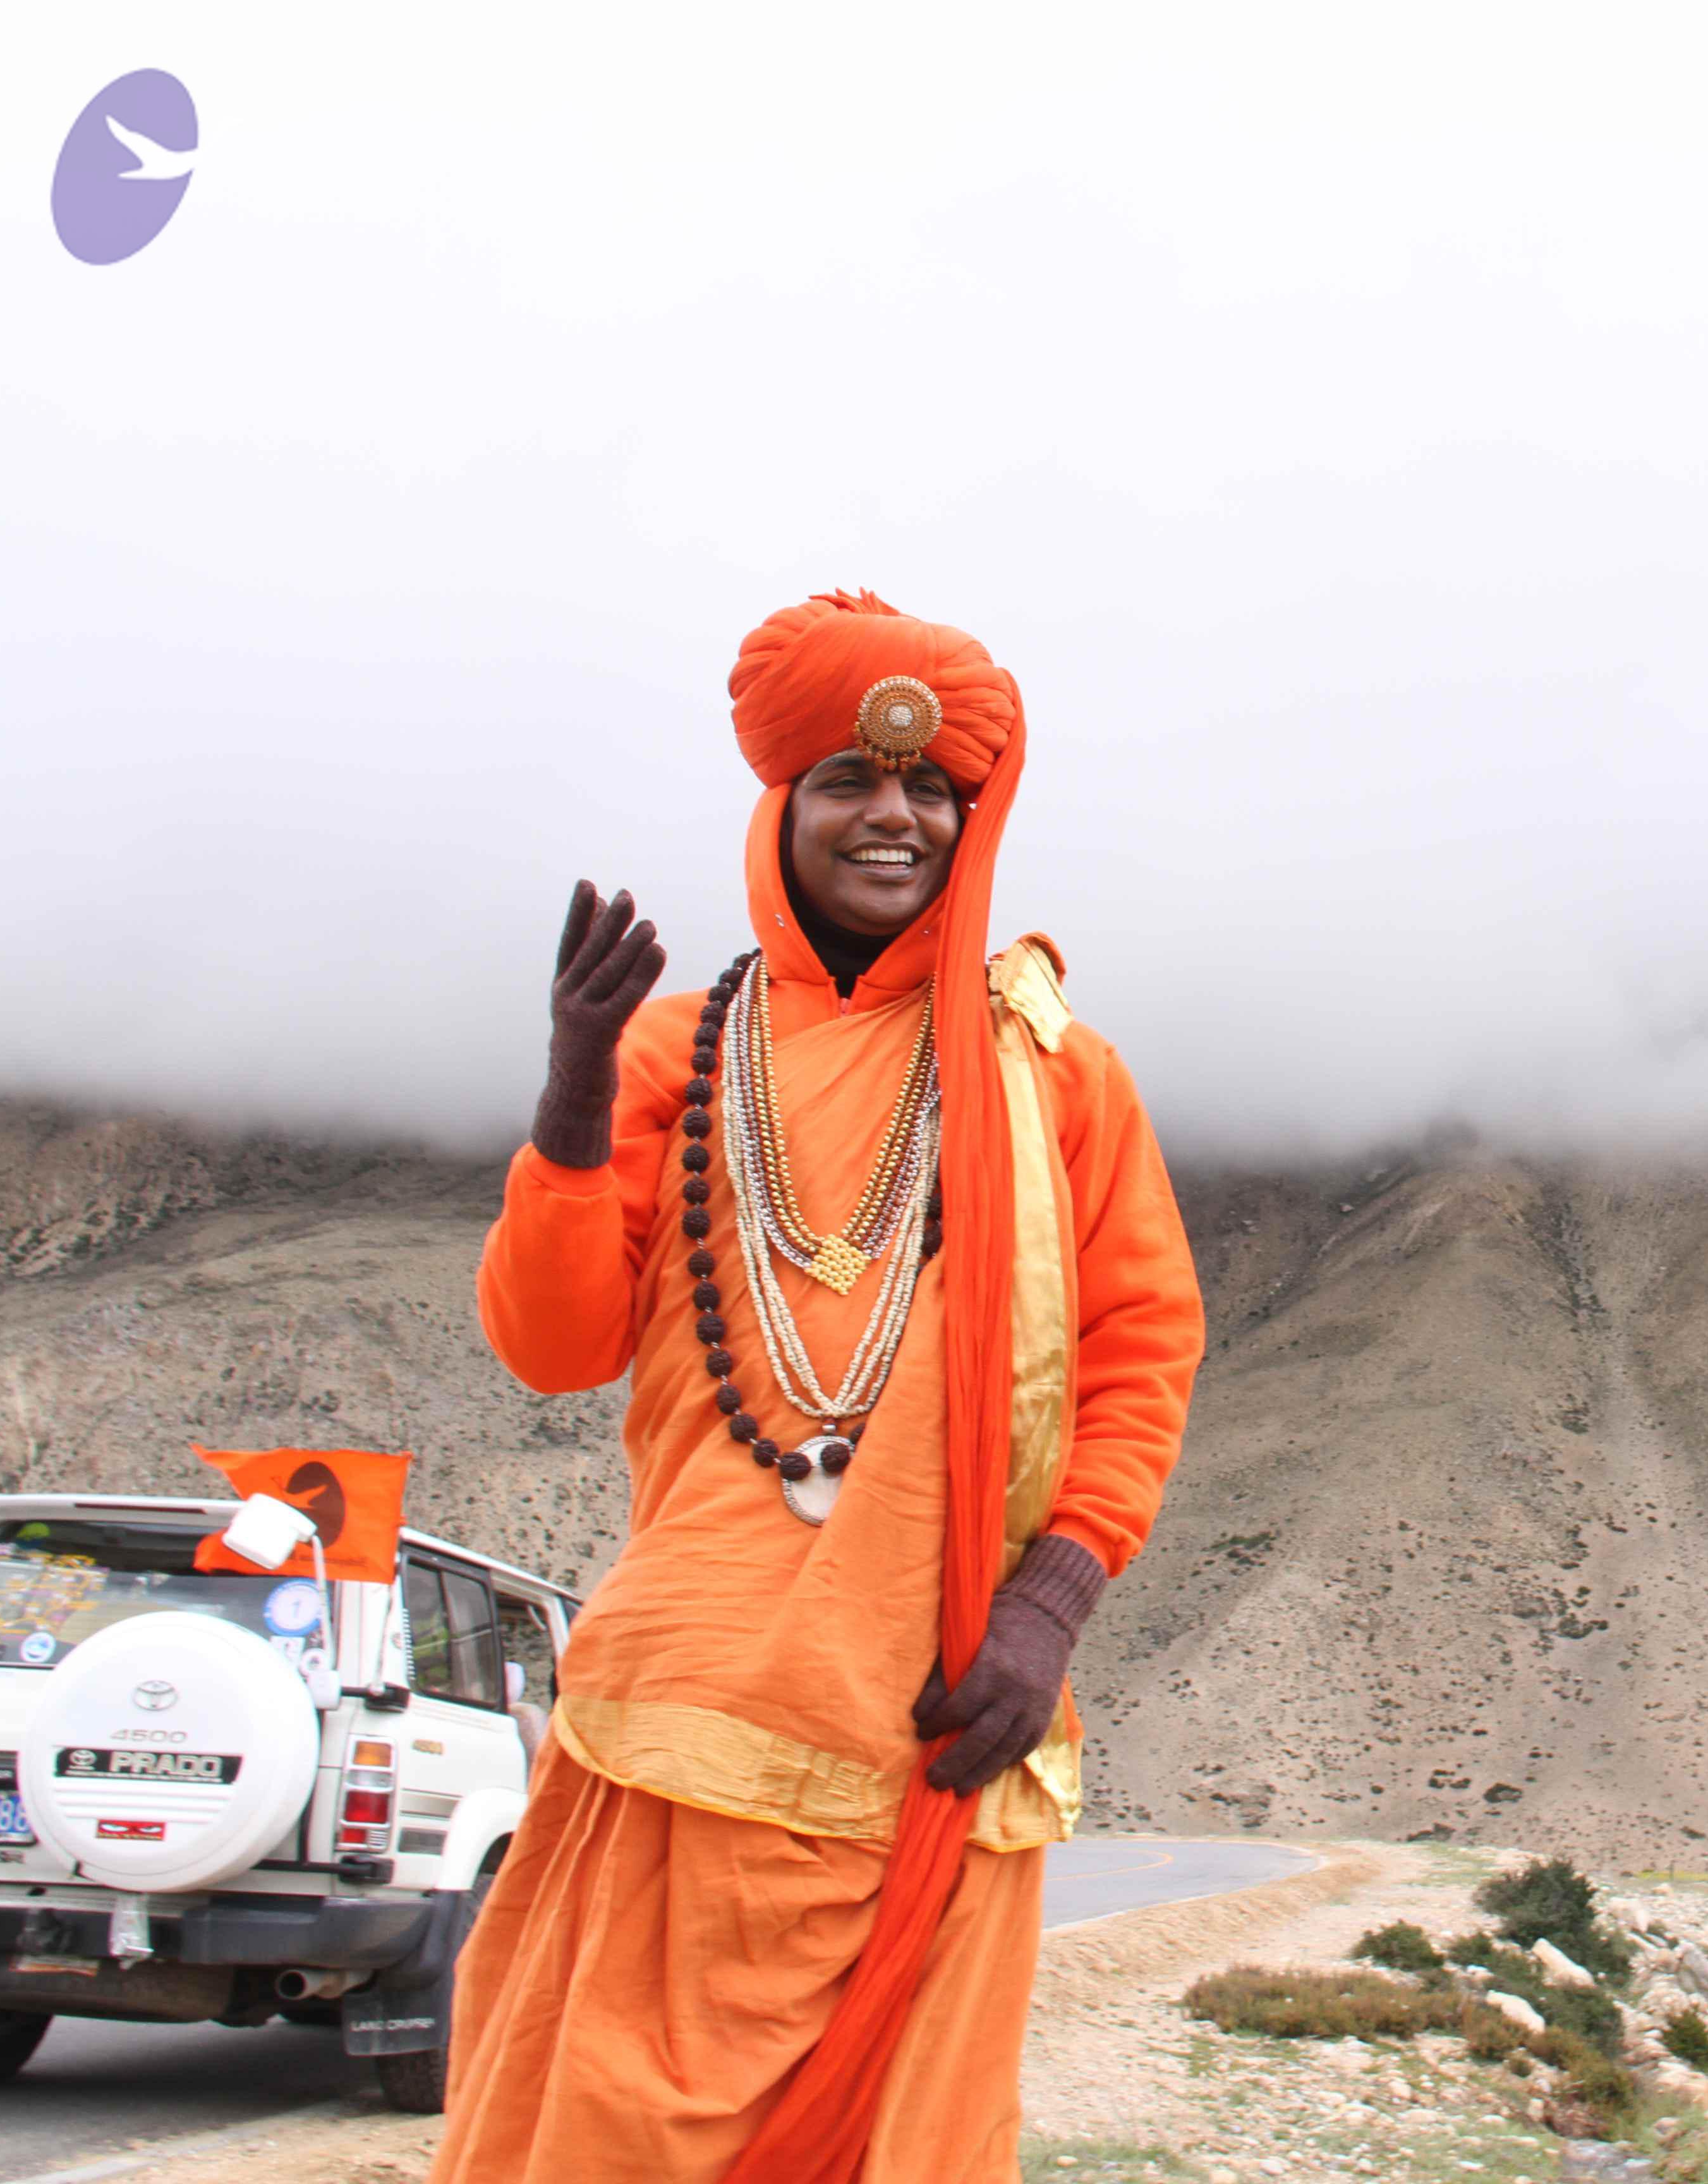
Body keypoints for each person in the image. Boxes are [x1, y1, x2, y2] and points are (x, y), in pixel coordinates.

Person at [433, 590, 1205, 2183]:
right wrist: (574, 1095)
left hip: (937, 1716)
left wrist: (1050, 1605)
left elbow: (1141, 1352)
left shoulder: (1059, 1072)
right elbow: (552, 1345)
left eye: (931, 789)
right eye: (850, 780)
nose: (894, 817)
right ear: (783, 808)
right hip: (683, 1711)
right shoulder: (671, 1052)